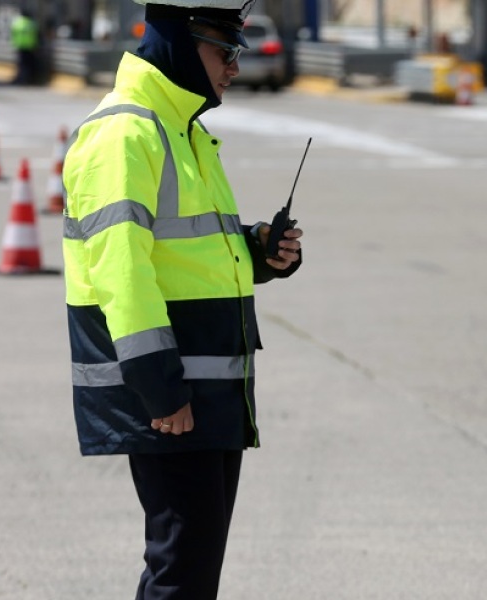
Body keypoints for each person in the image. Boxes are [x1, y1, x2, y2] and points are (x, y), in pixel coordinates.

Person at [60, 0, 303, 597]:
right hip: (172, 392)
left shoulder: (182, 130)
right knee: (182, 572)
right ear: (179, 47)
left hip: (207, 387)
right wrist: (160, 388)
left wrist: (258, 250)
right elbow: (121, 271)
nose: (235, 67)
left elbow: (188, 249)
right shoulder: (124, 134)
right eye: (226, 52)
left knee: (193, 569)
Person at [9, 7, 38, 84]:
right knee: (28, 64)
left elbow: (13, 34)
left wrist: (14, 43)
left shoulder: (17, 23)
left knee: (21, 64)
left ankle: (21, 78)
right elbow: (37, 35)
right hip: (30, 47)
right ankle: (28, 79)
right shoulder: (31, 23)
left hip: (20, 46)